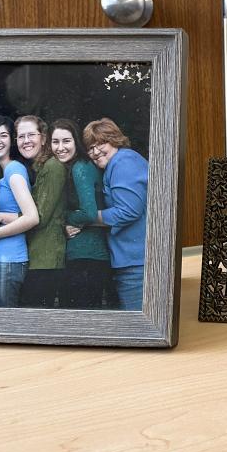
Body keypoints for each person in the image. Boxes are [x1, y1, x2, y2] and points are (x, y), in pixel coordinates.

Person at [83, 118, 149, 310]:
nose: (96, 152)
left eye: (101, 143)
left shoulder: (123, 161)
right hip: (132, 261)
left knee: (139, 327)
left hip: (136, 263)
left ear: (115, 140)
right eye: (90, 148)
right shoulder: (116, 164)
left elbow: (128, 211)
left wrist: (85, 219)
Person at [50, 119, 110, 309]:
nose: (60, 147)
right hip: (86, 257)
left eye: (66, 141)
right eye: (55, 142)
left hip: (86, 259)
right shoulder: (75, 167)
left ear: (76, 142)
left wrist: (62, 220)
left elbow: (88, 213)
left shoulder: (80, 167)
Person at [0, 116, 39, 307]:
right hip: (2, 260)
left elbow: (32, 217)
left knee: (3, 328)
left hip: (7, 262)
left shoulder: (13, 169)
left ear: (12, 140)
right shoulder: (3, 171)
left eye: (3, 136)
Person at [15, 115, 67, 308]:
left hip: (46, 259)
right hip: (37, 257)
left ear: (44, 138)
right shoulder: (38, 168)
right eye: (21, 136)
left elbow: (40, 217)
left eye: (31, 135)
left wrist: (4, 217)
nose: (26, 141)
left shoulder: (52, 167)